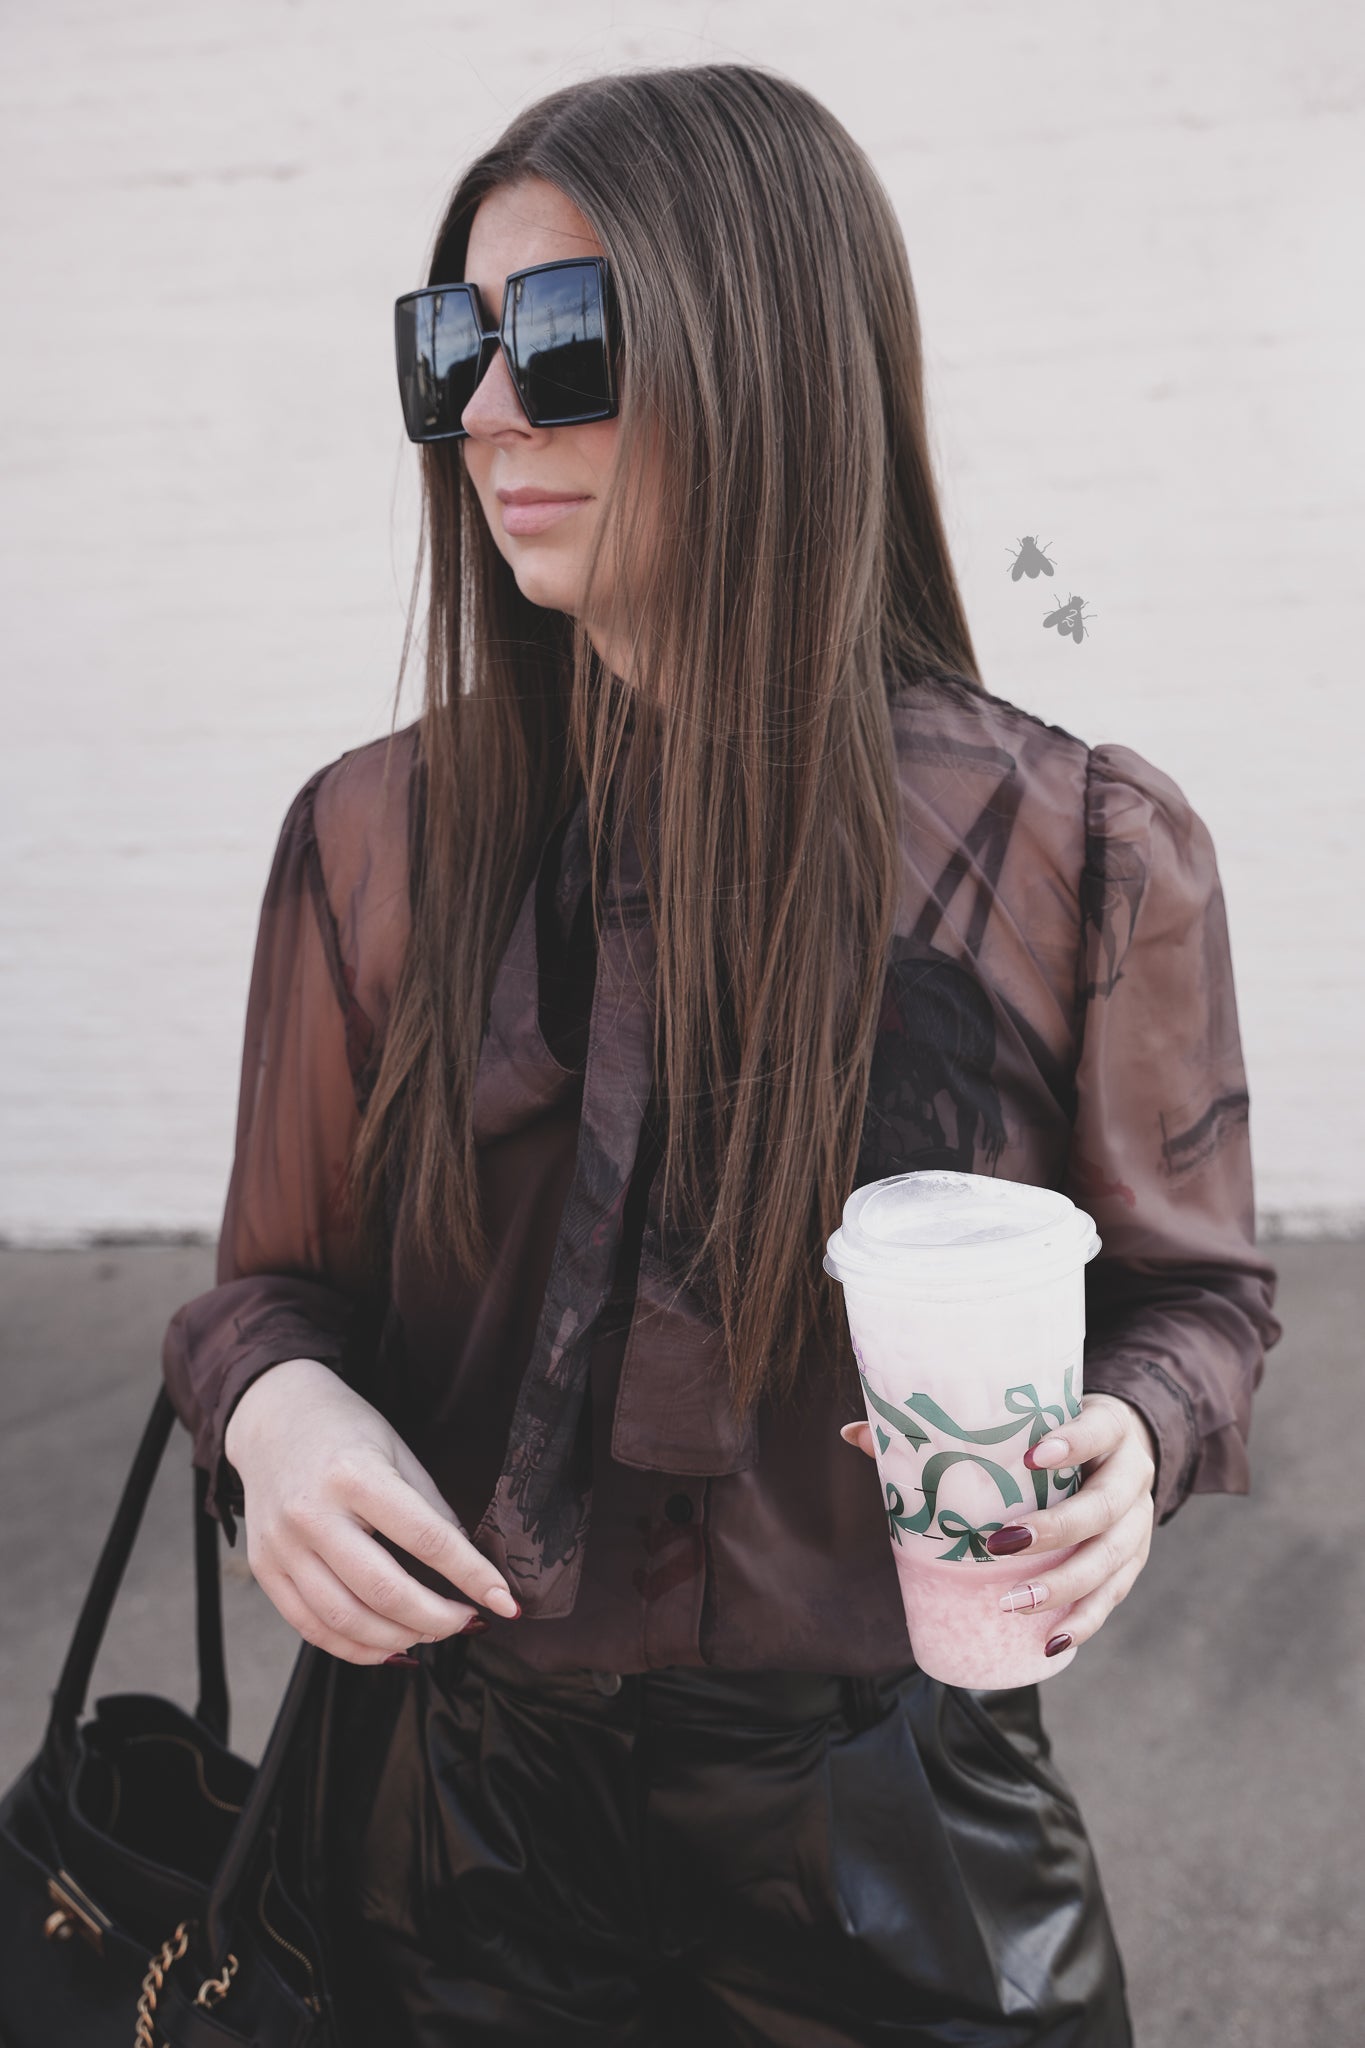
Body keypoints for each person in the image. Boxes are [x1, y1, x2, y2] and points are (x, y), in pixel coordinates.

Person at [161, 62, 1282, 2047]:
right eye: (451, 346)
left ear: (765, 353)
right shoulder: (371, 838)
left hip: (895, 1813)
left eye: (562, 338)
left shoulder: (1076, 843)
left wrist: (1135, 1431)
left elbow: (1193, 1292)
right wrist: (278, 1415)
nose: (488, 411)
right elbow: (270, 1290)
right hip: (448, 1827)